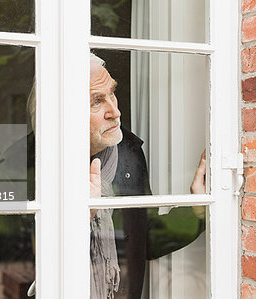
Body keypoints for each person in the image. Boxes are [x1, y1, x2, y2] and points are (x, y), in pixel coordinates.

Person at [88, 53, 206, 299]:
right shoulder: (31, 161)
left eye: (112, 93)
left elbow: (145, 237)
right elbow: (19, 261)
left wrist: (196, 208)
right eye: (97, 101)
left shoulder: (128, 152)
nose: (115, 111)